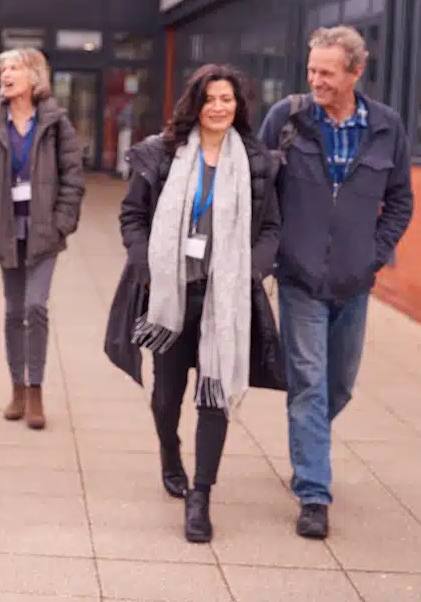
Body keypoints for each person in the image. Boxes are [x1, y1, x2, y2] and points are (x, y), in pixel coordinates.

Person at [111, 63, 285, 543]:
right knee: (167, 397)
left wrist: (253, 267)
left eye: (227, 99)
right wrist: (144, 260)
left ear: (238, 105)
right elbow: (132, 216)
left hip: (225, 300)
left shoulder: (256, 161)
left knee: (215, 397)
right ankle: (170, 452)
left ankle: (201, 497)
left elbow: (272, 228)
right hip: (172, 296)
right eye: (211, 99)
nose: (219, 107)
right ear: (195, 103)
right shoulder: (162, 154)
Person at [259, 26, 413, 540]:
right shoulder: (288, 118)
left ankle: (309, 451)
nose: (315, 80)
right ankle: (313, 494)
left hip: (354, 279)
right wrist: (271, 251)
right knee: (308, 382)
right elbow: (260, 187)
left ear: (354, 72)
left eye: (326, 71)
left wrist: (374, 255)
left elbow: (401, 201)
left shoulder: (387, 127)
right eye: (311, 70)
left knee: (338, 385)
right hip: (299, 275)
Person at [0, 48, 84, 430]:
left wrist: (62, 223)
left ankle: (35, 390)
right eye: (3, 69)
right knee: (14, 312)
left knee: (36, 307)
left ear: (35, 77)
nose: (7, 75)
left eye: (14, 68)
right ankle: (17, 389)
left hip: (45, 230)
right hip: (6, 231)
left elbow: (73, 178)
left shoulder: (56, 122)